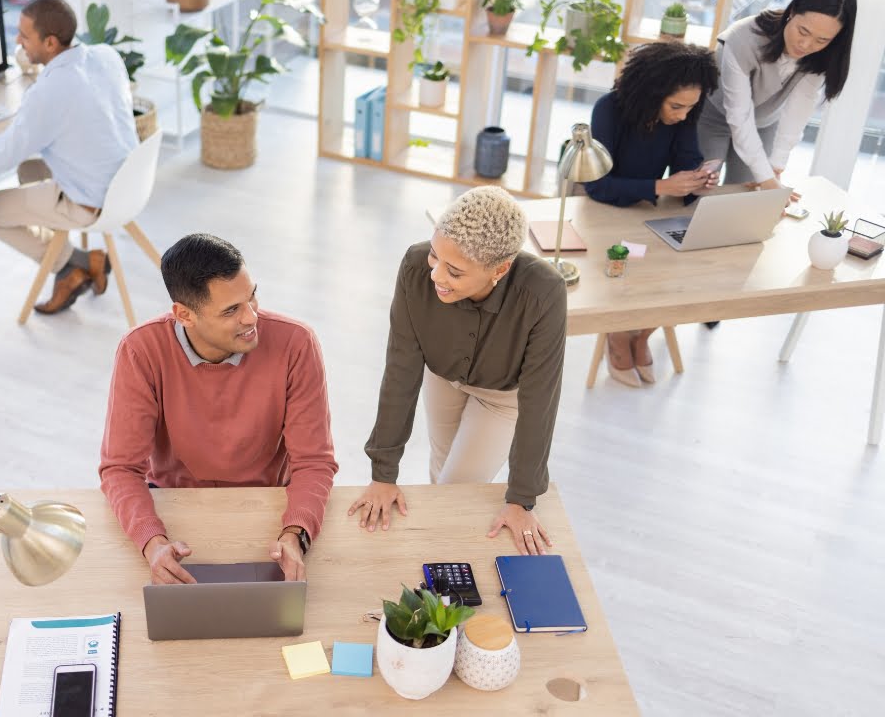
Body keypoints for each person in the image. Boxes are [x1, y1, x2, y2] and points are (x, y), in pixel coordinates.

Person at [98, 234, 339, 584]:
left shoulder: (296, 343)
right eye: (231, 310)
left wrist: (296, 532)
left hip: (269, 506)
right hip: (174, 505)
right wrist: (151, 541)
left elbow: (314, 461)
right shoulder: (141, 350)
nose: (251, 317)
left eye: (252, 296)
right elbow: (120, 468)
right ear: (184, 315)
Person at [349, 188, 567, 555]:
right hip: (443, 377)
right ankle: (438, 564)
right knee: (442, 470)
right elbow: (401, 367)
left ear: (500, 269)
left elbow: (540, 398)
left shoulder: (544, 292)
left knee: (454, 491)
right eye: (435, 256)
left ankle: (434, 565)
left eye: (455, 271)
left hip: (502, 397)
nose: (436, 275)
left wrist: (521, 499)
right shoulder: (416, 265)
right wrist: (383, 473)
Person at [0, 0, 138, 314]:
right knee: (29, 171)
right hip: (127, 185)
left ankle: (70, 268)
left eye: (24, 36)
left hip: (90, 203)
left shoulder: (48, 93)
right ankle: (80, 261)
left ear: (50, 43)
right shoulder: (105, 56)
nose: (17, 41)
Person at [586, 41, 720, 386]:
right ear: (651, 93)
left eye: (691, 108)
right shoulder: (608, 110)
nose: (683, 115)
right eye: (676, 106)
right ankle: (616, 333)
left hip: (645, 216)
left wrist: (696, 179)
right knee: (628, 258)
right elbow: (598, 186)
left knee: (678, 265)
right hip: (605, 214)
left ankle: (642, 335)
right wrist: (661, 187)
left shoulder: (682, 114)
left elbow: (687, 157)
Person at [696, 0, 856, 193]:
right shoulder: (743, 37)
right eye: (803, 31)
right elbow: (739, 114)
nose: (806, 45)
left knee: (747, 193)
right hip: (715, 118)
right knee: (702, 186)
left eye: (822, 40)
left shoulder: (822, 56)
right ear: (792, 12)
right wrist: (767, 179)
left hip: (764, 123)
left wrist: (775, 168)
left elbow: (798, 111)